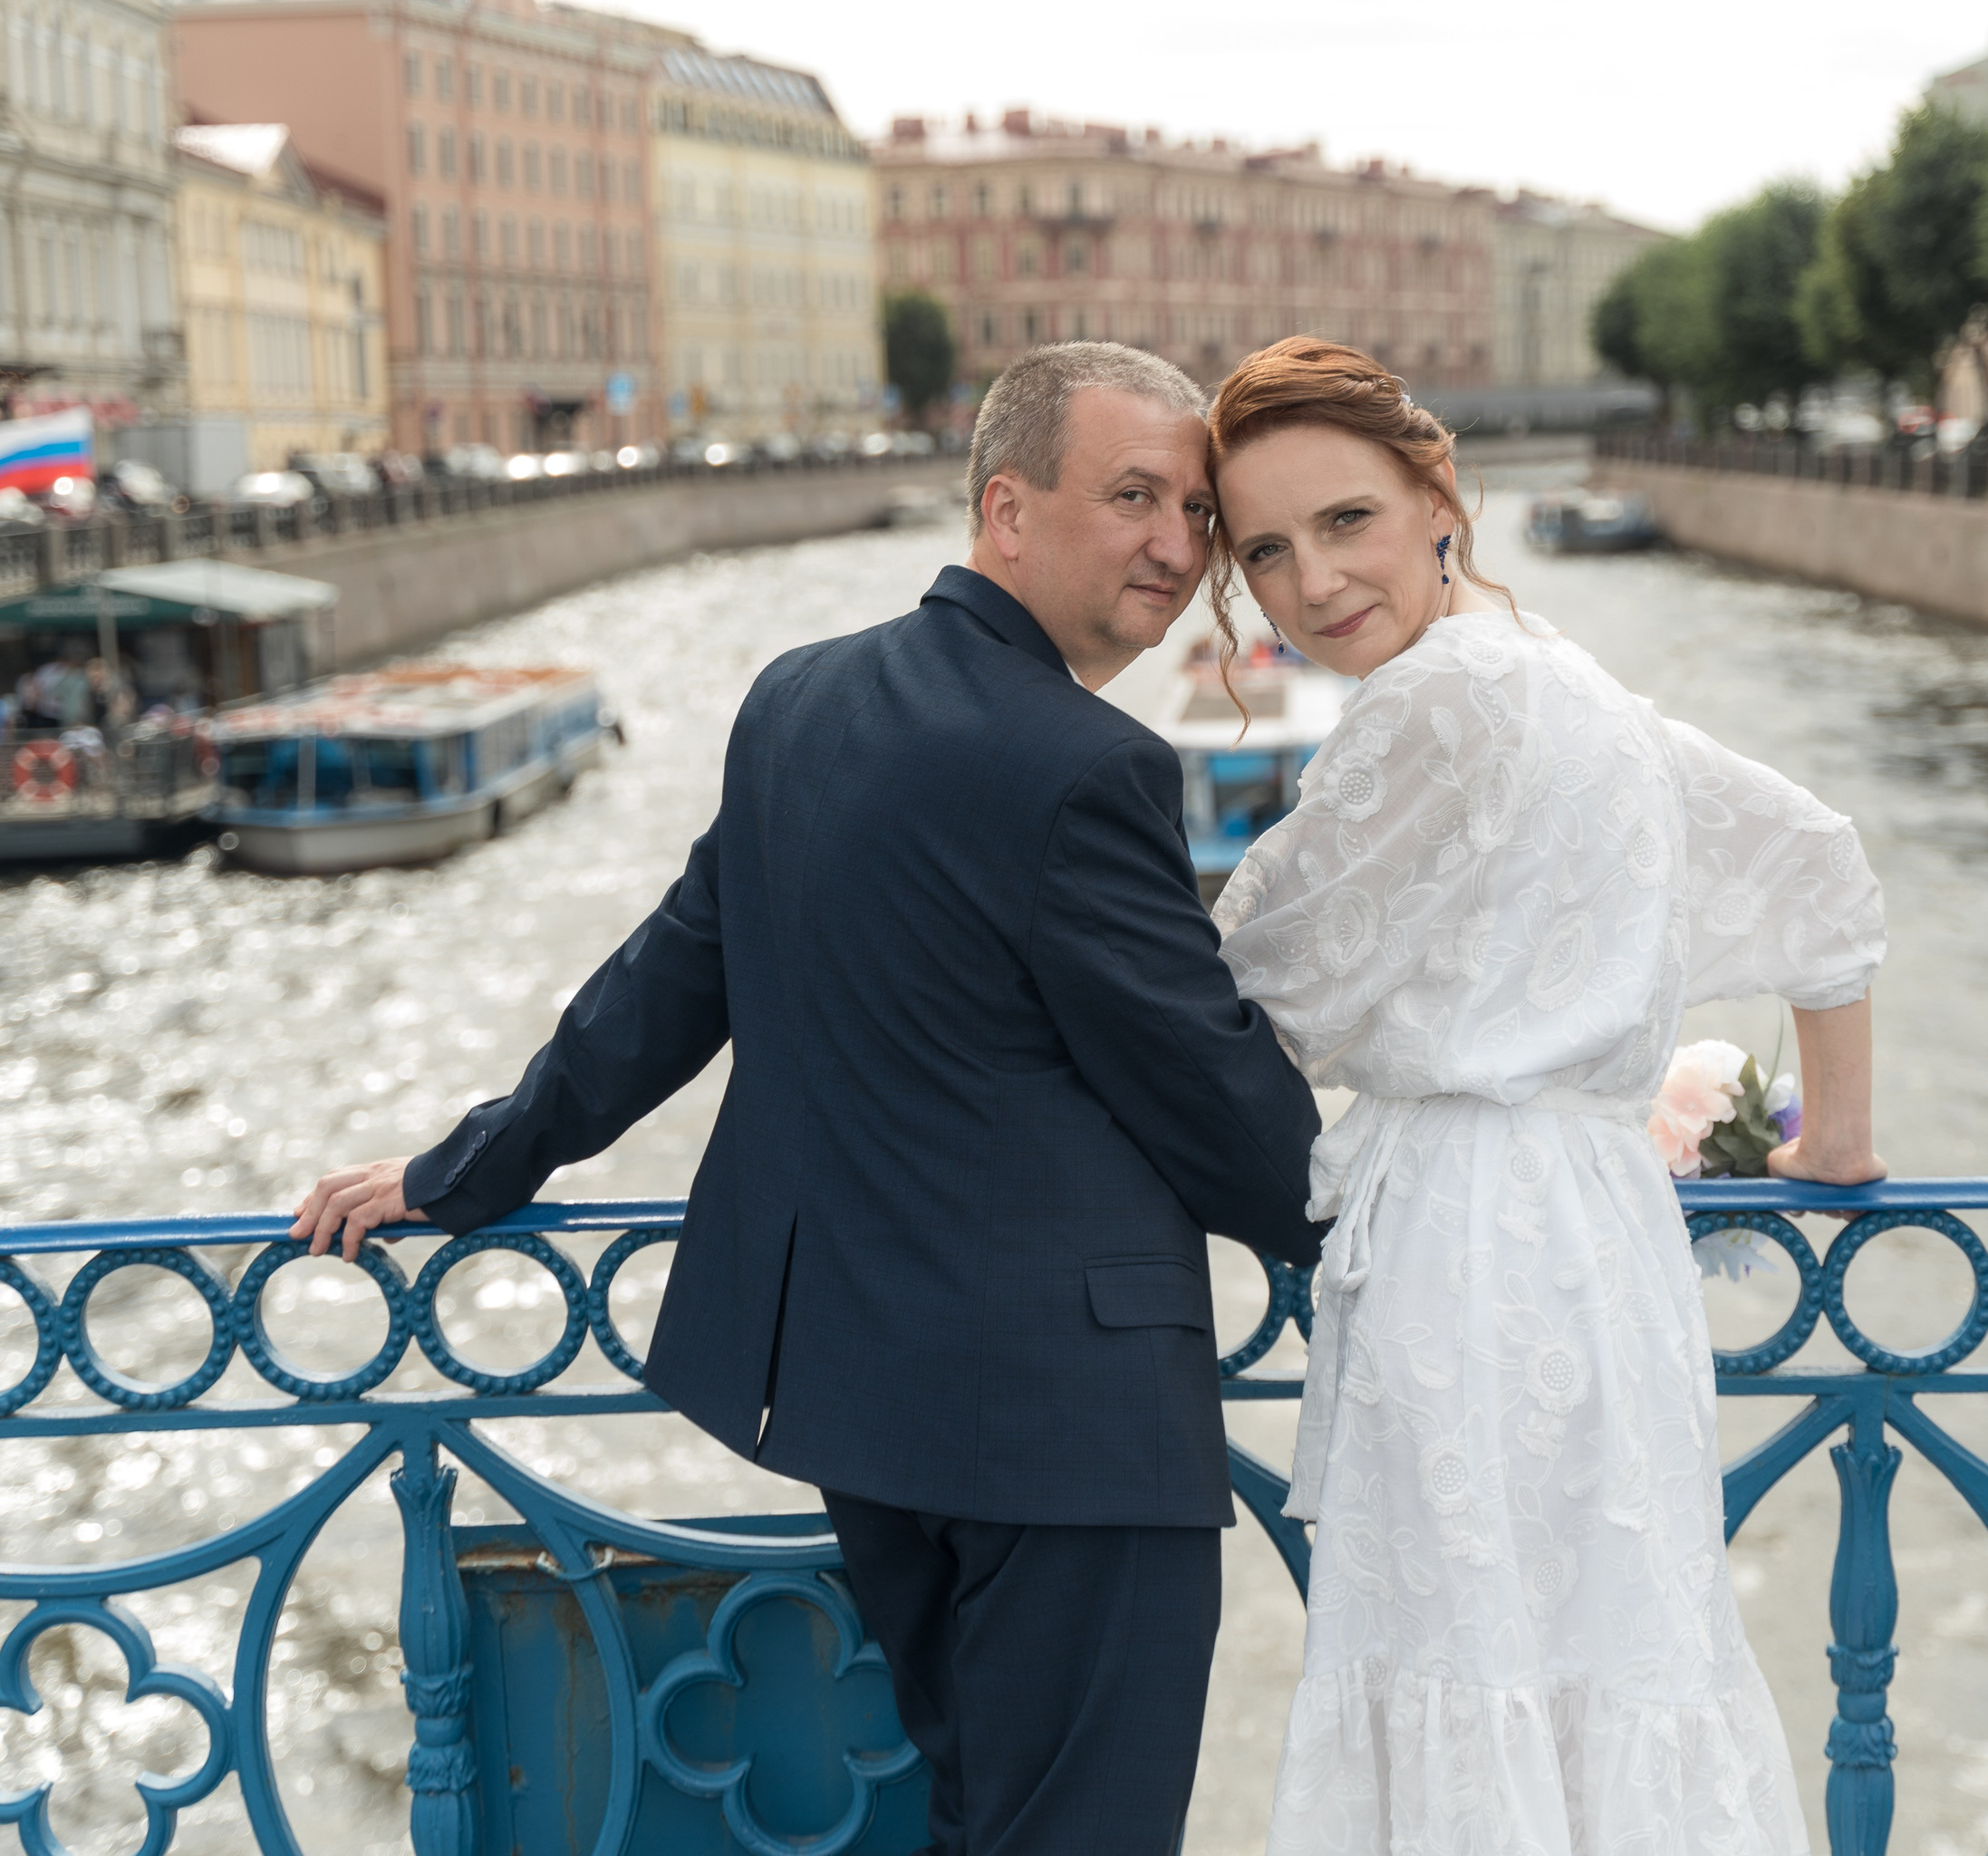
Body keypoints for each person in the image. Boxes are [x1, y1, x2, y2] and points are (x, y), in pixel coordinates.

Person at [290, 341, 1327, 1856]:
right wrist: (1395, 1205)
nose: (1177, 543)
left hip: (866, 1412)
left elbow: (669, 984)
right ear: (1007, 509)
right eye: (1130, 497)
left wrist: (467, 1168)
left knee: (977, 1819)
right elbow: (1230, 1121)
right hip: (1074, 1432)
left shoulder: (798, 699)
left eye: (1194, 509)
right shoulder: (1089, 766)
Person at [1204, 340, 1889, 1856]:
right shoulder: (1568, 679)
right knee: (1609, 1659)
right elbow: (1820, 862)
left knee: (1466, 1664)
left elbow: (1236, 989)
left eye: (1345, 523)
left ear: (1439, 497)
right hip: (1603, 1242)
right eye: (1263, 550)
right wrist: (1835, 1143)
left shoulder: (1433, 703)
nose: (1309, 584)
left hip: (1466, 1248)